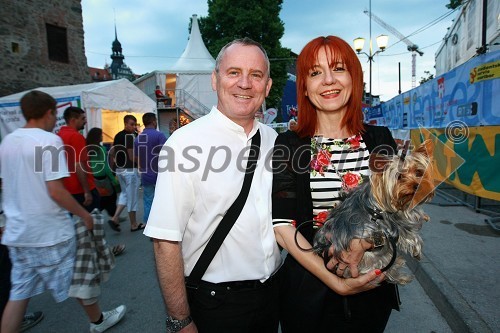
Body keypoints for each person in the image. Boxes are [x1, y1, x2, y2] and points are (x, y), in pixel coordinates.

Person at [144, 38, 381, 333]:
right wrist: (180, 320)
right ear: (215, 80)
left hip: (274, 295)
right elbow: (165, 240)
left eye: (255, 75)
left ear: (267, 87)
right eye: (233, 73)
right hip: (215, 303)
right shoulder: (183, 144)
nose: (245, 83)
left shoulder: (276, 142)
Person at [272, 35, 400, 333]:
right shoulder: (288, 144)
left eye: (338, 68)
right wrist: (335, 282)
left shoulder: (379, 139)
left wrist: (368, 241)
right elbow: (281, 225)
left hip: (372, 286)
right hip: (308, 291)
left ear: (354, 78)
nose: (328, 80)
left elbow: (396, 212)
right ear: (304, 86)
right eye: (315, 73)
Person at [0, 91, 126, 333]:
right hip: (48, 231)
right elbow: (55, 190)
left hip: (18, 231)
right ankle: (98, 321)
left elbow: (7, 185)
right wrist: (84, 214)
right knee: (79, 278)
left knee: (19, 291)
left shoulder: (8, 142)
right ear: (49, 113)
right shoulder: (47, 141)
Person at [110, 115, 145, 232]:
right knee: (132, 197)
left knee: (124, 194)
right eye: (131, 124)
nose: (134, 126)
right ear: (125, 123)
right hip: (130, 170)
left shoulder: (118, 135)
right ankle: (134, 224)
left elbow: (113, 152)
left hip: (120, 169)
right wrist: (141, 164)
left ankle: (115, 217)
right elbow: (132, 155)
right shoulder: (131, 136)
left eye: (135, 124)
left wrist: (114, 166)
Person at [133, 113, 167, 223]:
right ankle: (161, 224)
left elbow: (136, 158)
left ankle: (148, 224)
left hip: (146, 175)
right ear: (153, 121)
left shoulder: (138, 139)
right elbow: (166, 154)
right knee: (162, 201)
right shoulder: (159, 136)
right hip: (160, 175)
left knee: (148, 201)